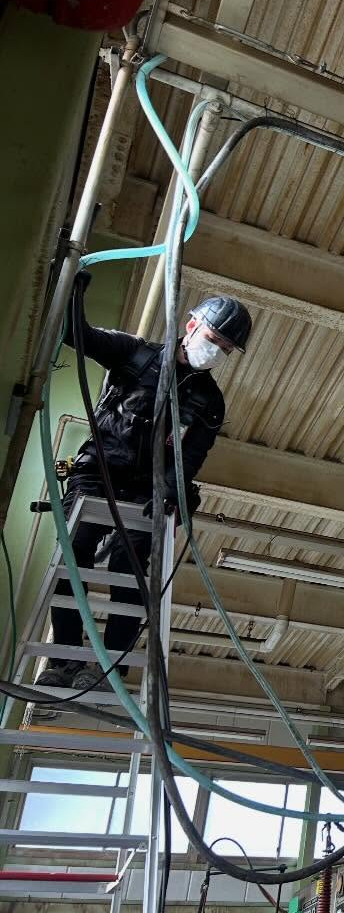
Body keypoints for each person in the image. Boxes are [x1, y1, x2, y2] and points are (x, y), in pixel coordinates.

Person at [39, 290, 251, 690]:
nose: (216, 351)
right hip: (98, 471)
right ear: (191, 327)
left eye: (225, 348)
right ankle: (63, 658)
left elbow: (192, 455)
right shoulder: (134, 355)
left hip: (148, 489)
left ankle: (108, 670)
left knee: (130, 568)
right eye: (213, 339)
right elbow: (76, 334)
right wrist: (75, 288)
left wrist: (169, 490)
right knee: (73, 552)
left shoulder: (209, 402)